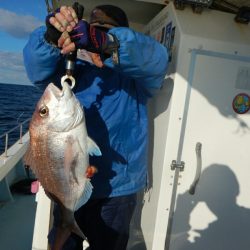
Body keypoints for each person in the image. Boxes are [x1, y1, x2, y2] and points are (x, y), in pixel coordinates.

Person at [23, 3, 169, 250]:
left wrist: (106, 43)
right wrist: (49, 36)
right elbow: (36, 68)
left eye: (105, 30)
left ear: (121, 33)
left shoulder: (138, 77)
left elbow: (156, 58)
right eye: (91, 29)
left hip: (118, 189)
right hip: (66, 187)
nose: (92, 38)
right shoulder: (68, 67)